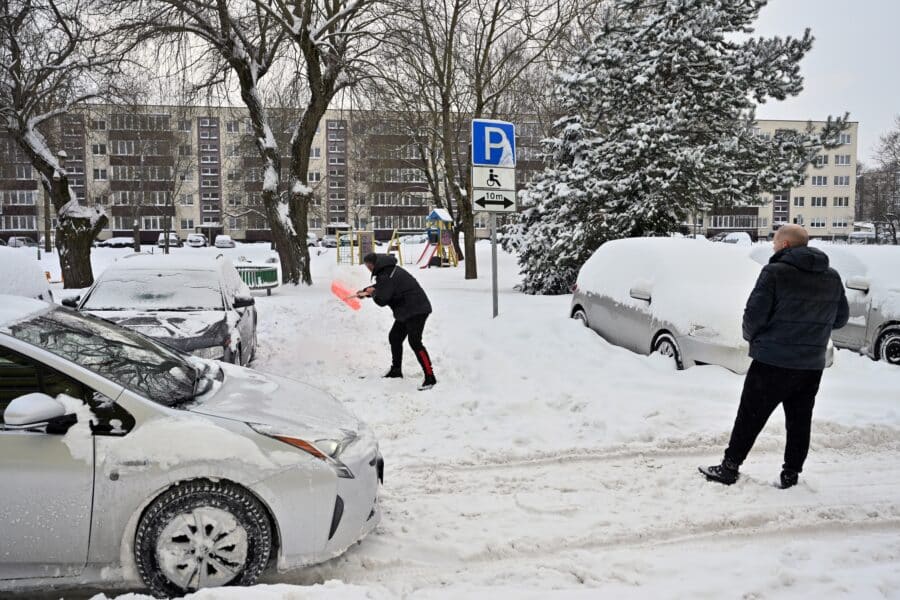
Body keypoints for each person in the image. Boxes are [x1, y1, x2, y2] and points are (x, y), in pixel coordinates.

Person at [699, 224, 849, 489]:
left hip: (772, 362)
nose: (773, 246)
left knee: (750, 416)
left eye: (775, 242)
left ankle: (730, 467)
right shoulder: (832, 276)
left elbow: (754, 316)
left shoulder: (775, 273)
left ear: (786, 245)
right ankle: (791, 474)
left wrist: (752, 338)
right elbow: (840, 319)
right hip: (810, 365)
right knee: (800, 420)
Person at [357, 253, 437, 391]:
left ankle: (430, 377)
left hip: (416, 310)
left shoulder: (386, 274)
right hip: (407, 309)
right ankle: (396, 370)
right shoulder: (388, 270)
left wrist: (372, 293)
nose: (368, 269)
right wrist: (366, 291)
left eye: (368, 266)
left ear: (374, 264)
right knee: (395, 337)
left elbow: (382, 299)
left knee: (415, 342)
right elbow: (383, 287)